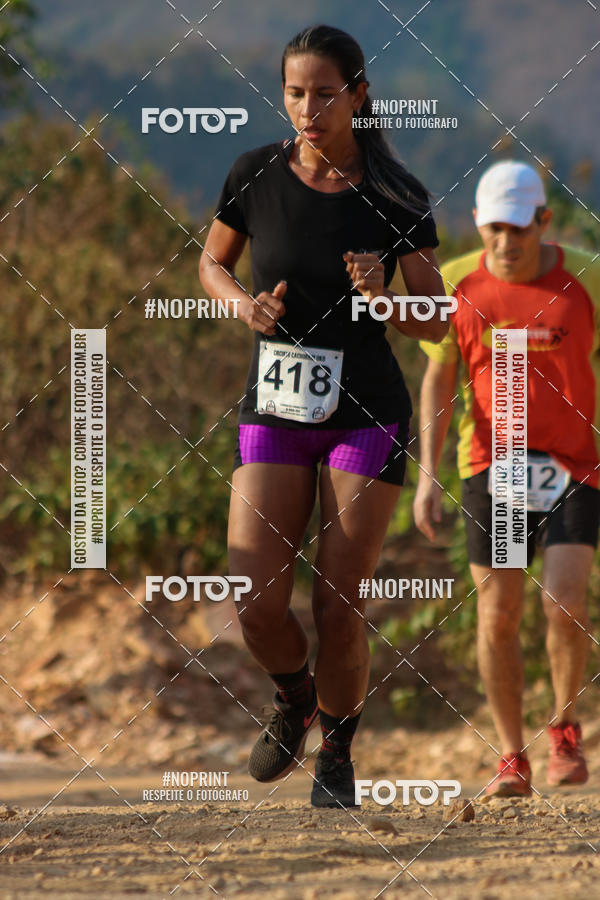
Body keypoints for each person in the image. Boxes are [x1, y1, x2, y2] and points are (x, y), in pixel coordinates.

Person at [199, 24, 447, 807]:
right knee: (256, 601)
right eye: (295, 92)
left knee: (339, 602)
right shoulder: (255, 174)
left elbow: (437, 317)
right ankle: (294, 700)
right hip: (276, 404)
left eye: (325, 92)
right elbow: (210, 261)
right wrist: (242, 305)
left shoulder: (396, 194)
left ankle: (337, 751)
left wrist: (387, 303)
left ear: (358, 94)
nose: (310, 107)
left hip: (365, 412)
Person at [414, 160, 600, 797]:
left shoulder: (588, 276)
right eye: (493, 229)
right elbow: (439, 378)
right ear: (477, 225)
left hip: (575, 465)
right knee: (498, 613)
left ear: (543, 222)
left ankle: (564, 730)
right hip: (495, 468)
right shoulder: (455, 282)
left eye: (518, 228)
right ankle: (510, 756)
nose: (505, 242)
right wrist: (425, 477)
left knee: (563, 601)